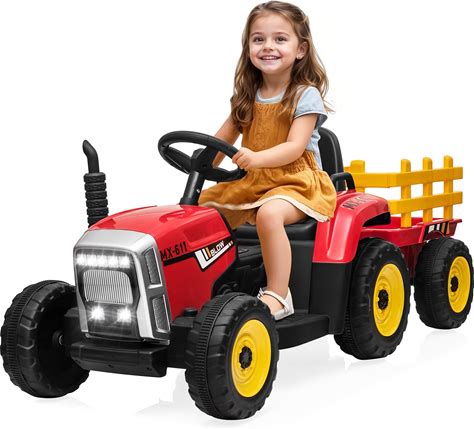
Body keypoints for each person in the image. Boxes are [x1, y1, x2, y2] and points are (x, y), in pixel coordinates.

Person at [198, 1, 337, 321]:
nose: (268, 46)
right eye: (258, 39)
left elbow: (294, 147)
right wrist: (203, 160)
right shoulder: (246, 96)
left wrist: (257, 158)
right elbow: (220, 142)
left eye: (280, 39)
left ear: (300, 49)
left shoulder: (305, 95)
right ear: (248, 46)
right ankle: (210, 287)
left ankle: (279, 294)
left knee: (270, 214)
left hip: (296, 183)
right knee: (201, 211)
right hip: (255, 182)